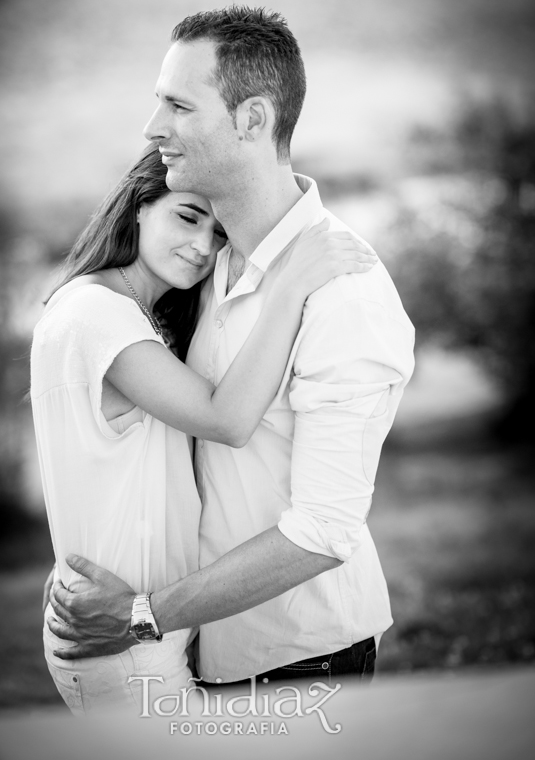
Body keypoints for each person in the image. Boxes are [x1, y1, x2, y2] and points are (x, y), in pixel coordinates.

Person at [48, 6, 415, 689]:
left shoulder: (345, 294)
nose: (152, 127)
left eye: (178, 106)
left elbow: (323, 532)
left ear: (251, 120)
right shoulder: (202, 263)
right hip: (195, 652)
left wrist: (139, 615)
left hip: (298, 659)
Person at [32, 143, 376, 715]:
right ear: (139, 206)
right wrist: (290, 287)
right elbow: (228, 420)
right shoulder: (98, 314)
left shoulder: (118, 313)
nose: (201, 247)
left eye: (220, 234)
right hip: (123, 639)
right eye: (187, 217)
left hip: (135, 626)